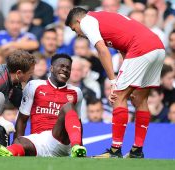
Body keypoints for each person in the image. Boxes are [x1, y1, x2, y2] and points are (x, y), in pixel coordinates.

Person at [66, 7, 165, 158]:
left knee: (118, 96)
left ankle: (114, 150)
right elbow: (124, 49)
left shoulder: (87, 21)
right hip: (157, 48)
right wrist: (130, 83)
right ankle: (136, 151)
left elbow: (102, 50)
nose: (78, 34)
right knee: (141, 99)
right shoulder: (104, 19)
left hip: (141, 48)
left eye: (75, 29)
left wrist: (113, 81)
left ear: (78, 21)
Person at [0, 54, 87, 157]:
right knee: (20, 141)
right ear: (51, 68)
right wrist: (16, 142)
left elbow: (77, 123)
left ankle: (76, 147)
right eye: (62, 66)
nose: (65, 69)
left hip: (61, 141)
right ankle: (8, 152)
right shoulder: (34, 85)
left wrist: (80, 146)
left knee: (68, 107)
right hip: (38, 142)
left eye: (68, 68)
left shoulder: (76, 92)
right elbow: (22, 119)